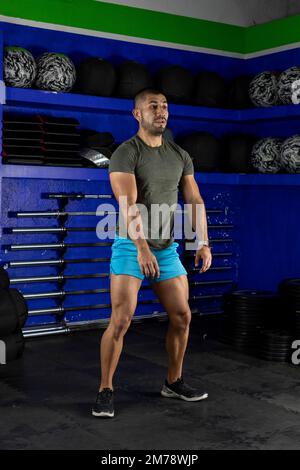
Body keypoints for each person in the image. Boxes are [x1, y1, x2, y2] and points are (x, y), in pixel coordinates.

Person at [92, 88, 212, 418]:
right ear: (137, 114)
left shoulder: (180, 155)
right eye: (153, 106)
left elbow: (195, 200)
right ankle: (105, 388)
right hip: (132, 246)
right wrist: (142, 248)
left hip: (166, 248)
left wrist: (203, 242)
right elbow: (127, 204)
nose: (161, 112)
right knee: (120, 320)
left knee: (183, 316)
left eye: (165, 107)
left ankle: (173, 382)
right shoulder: (125, 153)